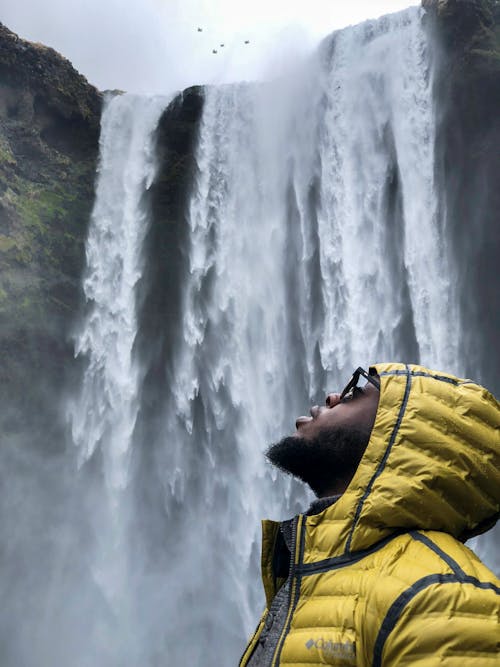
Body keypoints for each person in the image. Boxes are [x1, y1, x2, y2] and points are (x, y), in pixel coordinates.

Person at [239, 362, 500, 667]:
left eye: (353, 392)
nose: (332, 397)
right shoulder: (307, 577)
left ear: (401, 429)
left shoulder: (441, 595)